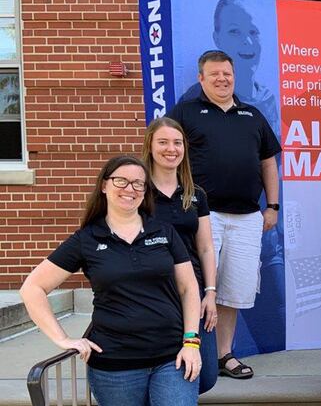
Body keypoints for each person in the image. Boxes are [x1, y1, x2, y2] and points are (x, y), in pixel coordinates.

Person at [19, 155, 201, 405]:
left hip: (172, 358)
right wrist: (62, 339)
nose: (130, 189)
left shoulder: (164, 231)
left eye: (138, 183)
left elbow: (188, 288)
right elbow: (32, 288)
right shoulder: (87, 239)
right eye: (121, 181)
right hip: (115, 367)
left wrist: (191, 342)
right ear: (104, 185)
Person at [166, 50, 282, 379]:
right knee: (196, 285)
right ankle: (187, 351)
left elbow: (268, 163)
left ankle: (224, 355)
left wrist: (272, 207)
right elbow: (166, 155)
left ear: (234, 76)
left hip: (247, 218)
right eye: (214, 74)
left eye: (227, 74)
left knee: (233, 289)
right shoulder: (186, 112)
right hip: (203, 216)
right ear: (201, 78)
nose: (222, 79)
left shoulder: (252, 115)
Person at [143, 117, 219, 394]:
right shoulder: (138, 192)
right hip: (152, 292)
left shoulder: (195, 194)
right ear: (150, 146)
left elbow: (206, 247)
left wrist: (210, 293)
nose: (171, 149)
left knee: (206, 375)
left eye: (177, 143)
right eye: (163, 142)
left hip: (193, 291)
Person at [180, 0, 278, 136]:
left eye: (253, 32)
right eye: (235, 32)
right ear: (217, 38)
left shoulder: (267, 99)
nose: (248, 42)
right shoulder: (192, 100)